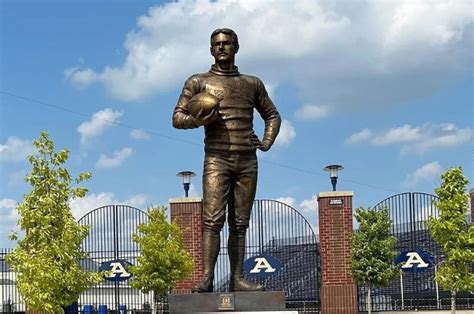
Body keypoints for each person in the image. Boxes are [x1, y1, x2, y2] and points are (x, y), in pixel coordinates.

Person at [172, 28, 281, 293]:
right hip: (216, 159)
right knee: (212, 220)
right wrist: (196, 121)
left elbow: (273, 115)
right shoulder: (198, 82)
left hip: (246, 160)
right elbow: (177, 118)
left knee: (240, 223)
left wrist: (266, 142)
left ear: (236, 47)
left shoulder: (252, 83)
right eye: (217, 44)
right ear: (211, 50)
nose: (222, 48)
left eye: (227, 43)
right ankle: (208, 277)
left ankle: (237, 278)